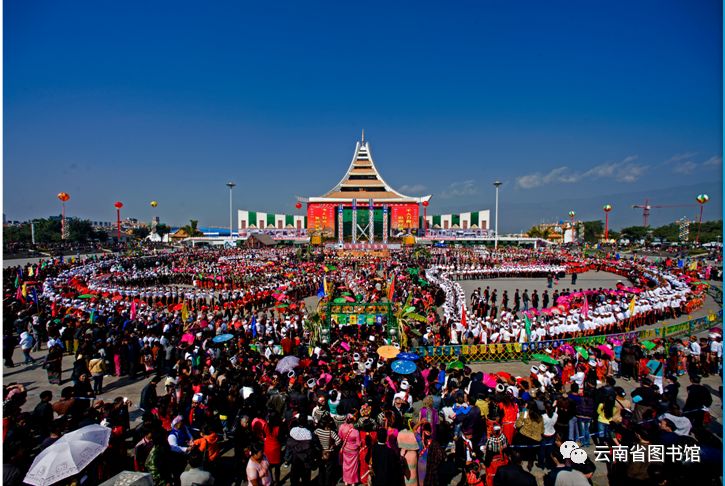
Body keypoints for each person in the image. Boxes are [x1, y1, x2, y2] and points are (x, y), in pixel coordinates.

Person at [285, 415, 318, 486]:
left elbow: (289, 444)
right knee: (305, 479)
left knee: (294, 478)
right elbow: (310, 447)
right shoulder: (308, 433)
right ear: (306, 422)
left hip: (295, 458)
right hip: (305, 460)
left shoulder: (293, 430)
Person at [339, 414, 361, 486]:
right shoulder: (356, 431)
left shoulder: (342, 427)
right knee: (353, 467)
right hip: (354, 451)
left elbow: (340, 437)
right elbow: (358, 444)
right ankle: (353, 483)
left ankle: (346, 481)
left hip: (346, 449)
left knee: (346, 465)